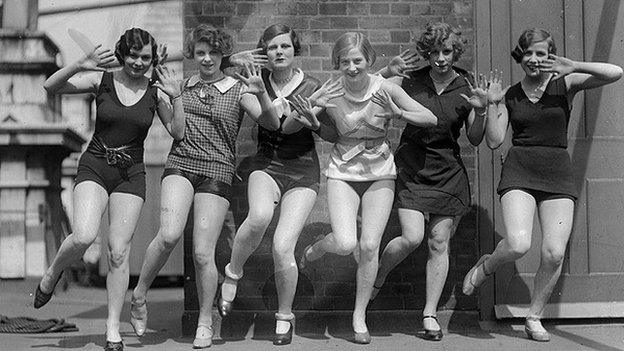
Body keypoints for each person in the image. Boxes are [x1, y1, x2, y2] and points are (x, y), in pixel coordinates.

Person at [463, 28, 622, 342]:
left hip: (557, 171)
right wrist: (491, 105)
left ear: (551, 55)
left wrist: (575, 65)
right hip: (520, 168)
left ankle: (534, 317)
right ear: (520, 56)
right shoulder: (508, 94)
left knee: (553, 252)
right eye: (528, 53)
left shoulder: (566, 83)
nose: (534, 60)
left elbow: (616, 72)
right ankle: (488, 265)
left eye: (541, 53)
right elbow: (494, 142)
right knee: (519, 244)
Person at [128, 24, 279, 349]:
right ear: (193, 55)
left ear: (223, 54)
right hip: (181, 163)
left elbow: (272, 123)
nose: (207, 58)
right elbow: (176, 133)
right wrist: (174, 94)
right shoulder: (179, 85)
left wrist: (262, 93)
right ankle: (139, 295)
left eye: (213, 52)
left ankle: (206, 321)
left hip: (217, 170)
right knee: (168, 235)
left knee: (201, 253)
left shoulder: (239, 88)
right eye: (200, 53)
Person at [34, 28, 179, 351]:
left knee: (118, 251)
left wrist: (175, 96)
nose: (138, 63)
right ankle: (54, 271)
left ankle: (112, 327)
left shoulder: (156, 92)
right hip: (95, 165)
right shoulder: (103, 82)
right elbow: (50, 86)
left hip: (132, 173)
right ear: (120, 54)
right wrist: (82, 63)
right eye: (132, 55)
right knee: (84, 235)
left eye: (145, 57)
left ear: (152, 59)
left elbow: (177, 132)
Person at [293, 32, 437, 344]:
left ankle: (359, 315)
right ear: (337, 63)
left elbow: (429, 117)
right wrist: (313, 118)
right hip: (343, 171)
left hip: (380, 172)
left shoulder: (384, 87)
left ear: (368, 60)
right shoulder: (330, 90)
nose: (352, 67)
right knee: (346, 243)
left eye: (357, 60)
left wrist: (399, 114)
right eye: (345, 61)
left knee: (370, 246)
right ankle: (316, 248)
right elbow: (299, 123)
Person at [216, 24, 342, 346]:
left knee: (282, 246)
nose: (279, 52)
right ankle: (233, 272)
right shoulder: (252, 83)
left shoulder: (314, 86)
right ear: (264, 53)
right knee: (258, 217)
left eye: (285, 46)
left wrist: (315, 120)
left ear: (294, 49)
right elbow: (276, 125)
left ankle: (284, 316)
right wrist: (235, 61)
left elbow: (332, 134)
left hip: (303, 172)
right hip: (266, 164)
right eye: (272, 48)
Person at [372, 22, 488, 341]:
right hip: (411, 164)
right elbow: (369, 90)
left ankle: (429, 314)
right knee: (412, 237)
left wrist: (480, 111)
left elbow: (476, 139)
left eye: (446, 51)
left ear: (455, 52)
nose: (440, 58)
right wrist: (386, 71)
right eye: (434, 52)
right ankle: (378, 275)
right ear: (426, 52)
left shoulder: (466, 84)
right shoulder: (411, 78)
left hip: (447, 168)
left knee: (439, 242)